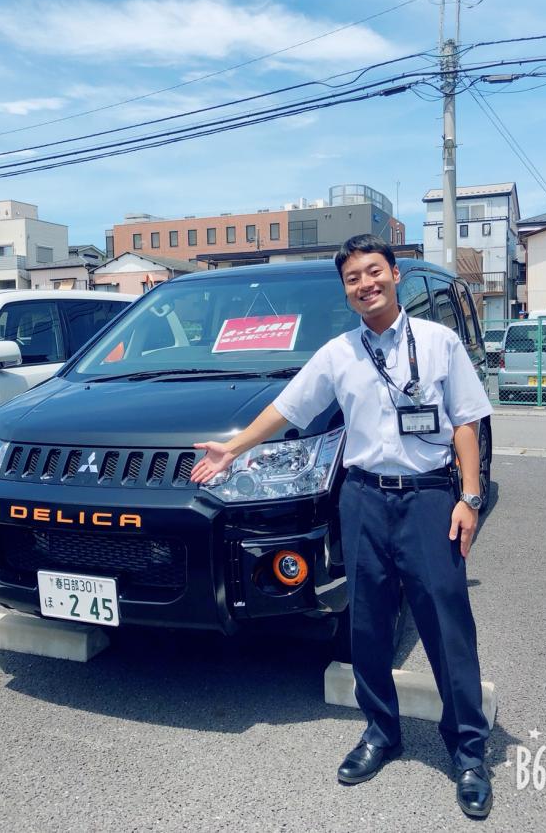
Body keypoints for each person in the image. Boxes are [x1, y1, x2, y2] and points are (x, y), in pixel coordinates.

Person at [190, 234, 493, 819]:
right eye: (353, 278)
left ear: (395, 274)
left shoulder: (438, 342)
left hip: (430, 496)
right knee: (368, 623)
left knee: (447, 620)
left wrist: (470, 498)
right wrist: (233, 449)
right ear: (346, 289)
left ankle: (469, 751)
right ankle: (381, 731)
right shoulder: (339, 353)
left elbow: (467, 421)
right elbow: (287, 408)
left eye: (373, 272)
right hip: (361, 498)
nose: (365, 284)